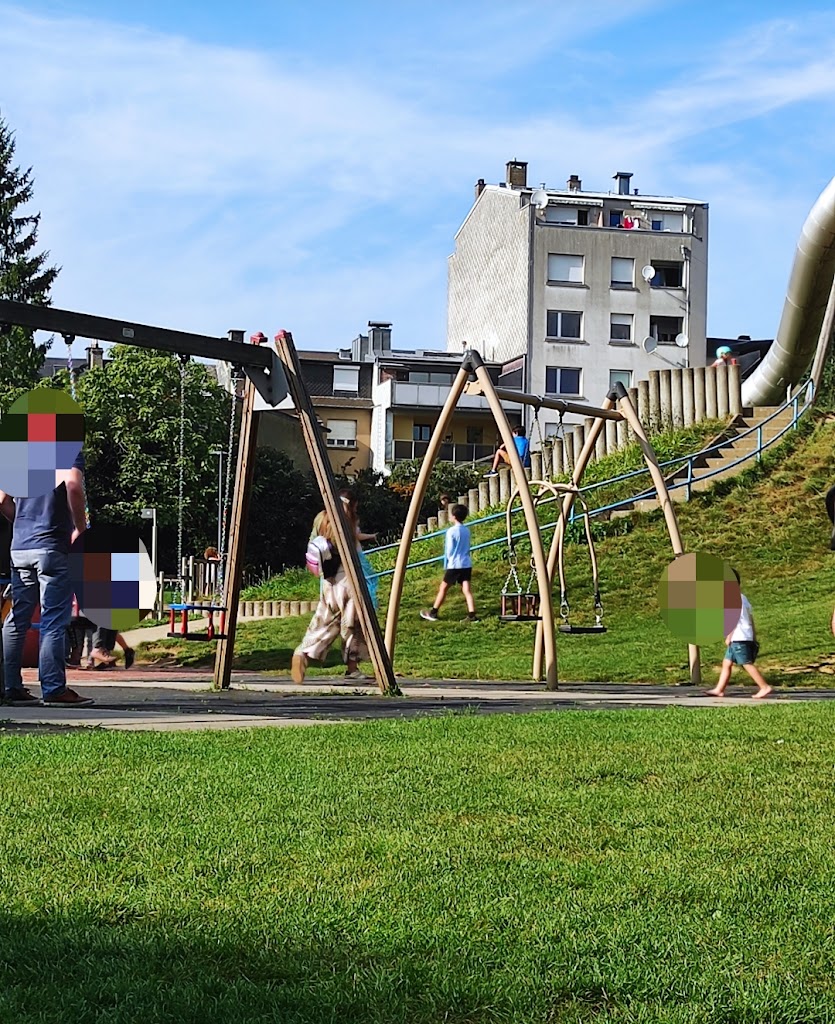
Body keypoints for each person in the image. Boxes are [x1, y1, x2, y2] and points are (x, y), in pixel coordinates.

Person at [0, 452, 94, 706]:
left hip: (20, 548)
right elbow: (73, 485)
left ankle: (11, 687)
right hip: (52, 545)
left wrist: (20, 523)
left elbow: (1, 500)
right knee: (53, 618)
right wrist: (80, 529)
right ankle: (53, 689)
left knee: (18, 617)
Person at [292, 495, 373, 683]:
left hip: (328, 581)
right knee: (352, 623)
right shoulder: (345, 526)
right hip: (346, 579)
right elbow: (354, 544)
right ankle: (352, 667)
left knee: (325, 621)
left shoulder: (321, 520)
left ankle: (303, 652)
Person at [705, 570, 772, 700]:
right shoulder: (743, 598)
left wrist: (729, 636)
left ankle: (764, 686)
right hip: (744, 635)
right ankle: (719, 689)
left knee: (746, 663)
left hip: (738, 637)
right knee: (727, 663)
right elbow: (750, 617)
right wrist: (753, 635)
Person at [420, 503, 478, 622]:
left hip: (455, 564)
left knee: (443, 588)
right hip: (466, 563)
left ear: (454, 516)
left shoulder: (451, 531)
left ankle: (433, 612)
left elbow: (449, 550)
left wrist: (448, 560)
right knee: (467, 589)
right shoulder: (466, 530)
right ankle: (472, 614)